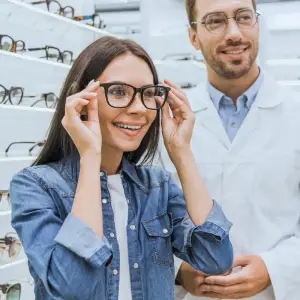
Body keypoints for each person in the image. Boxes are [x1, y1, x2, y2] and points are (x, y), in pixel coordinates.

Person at [10, 36, 233, 300]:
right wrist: (90, 157)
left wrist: (181, 152)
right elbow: (72, 287)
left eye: (149, 94)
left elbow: (215, 259)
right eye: (118, 92)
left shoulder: (156, 186)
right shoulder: (36, 186)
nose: (139, 109)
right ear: (82, 98)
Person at [159, 0, 300, 300]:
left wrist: (274, 268)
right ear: (193, 37)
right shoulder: (166, 123)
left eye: (244, 17)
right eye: (215, 21)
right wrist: (179, 270)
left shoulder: (295, 113)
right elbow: (148, 221)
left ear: (257, 24)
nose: (234, 33)